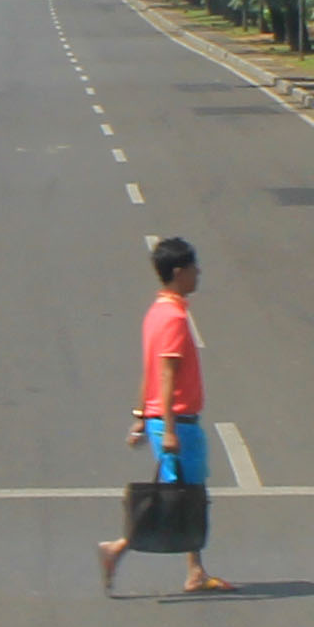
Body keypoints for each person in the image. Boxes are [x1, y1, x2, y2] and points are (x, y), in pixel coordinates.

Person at [100, 235, 228, 595]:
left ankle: (195, 570)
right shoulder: (172, 316)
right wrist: (169, 429)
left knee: (185, 495)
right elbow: (167, 375)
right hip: (179, 424)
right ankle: (118, 549)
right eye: (192, 268)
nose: (198, 274)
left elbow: (149, 371)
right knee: (180, 497)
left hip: (165, 421)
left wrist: (142, 416)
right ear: (178, 272)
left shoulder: (156, 312)